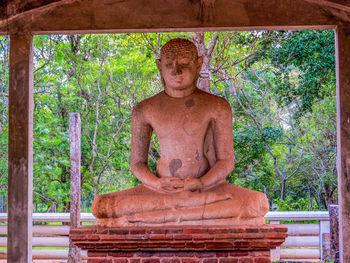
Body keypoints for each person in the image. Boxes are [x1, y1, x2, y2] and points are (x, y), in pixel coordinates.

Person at [92, 38, 269, 226]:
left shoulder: (217, 106)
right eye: (169, 64)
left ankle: (157, 216)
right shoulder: (144, 109)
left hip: (207, 190)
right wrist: (157, 183)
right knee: (102, 205)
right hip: (160, 192)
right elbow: (137, 164)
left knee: (255, 203)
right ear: (160, 67)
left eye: (184, 63)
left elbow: (226, 161)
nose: (176, 70)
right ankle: (189, 211)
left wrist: (202, 183)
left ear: (199, 64)